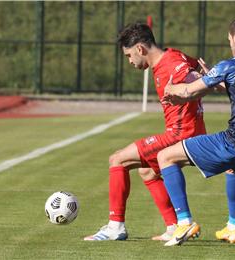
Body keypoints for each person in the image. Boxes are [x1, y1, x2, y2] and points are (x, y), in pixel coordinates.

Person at [157, 15, 235, 246]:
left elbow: (189, 92)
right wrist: (214, 77)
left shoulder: (230, 66)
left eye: (230, 39)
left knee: (165, 157)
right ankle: (232, 228)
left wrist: (171, 87)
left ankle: (183, 222)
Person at [84, 23, 206, 241]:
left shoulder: (171, 63)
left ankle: (115, 227)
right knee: (147, 172)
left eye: (129, 55)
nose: (130, 61)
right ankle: (173, 227)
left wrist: (199, 81)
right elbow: (197, 65)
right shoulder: (174, 55)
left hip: (181, 135)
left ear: (140, 49)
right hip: (188, 132)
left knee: (118, 159)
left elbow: (195, 77)